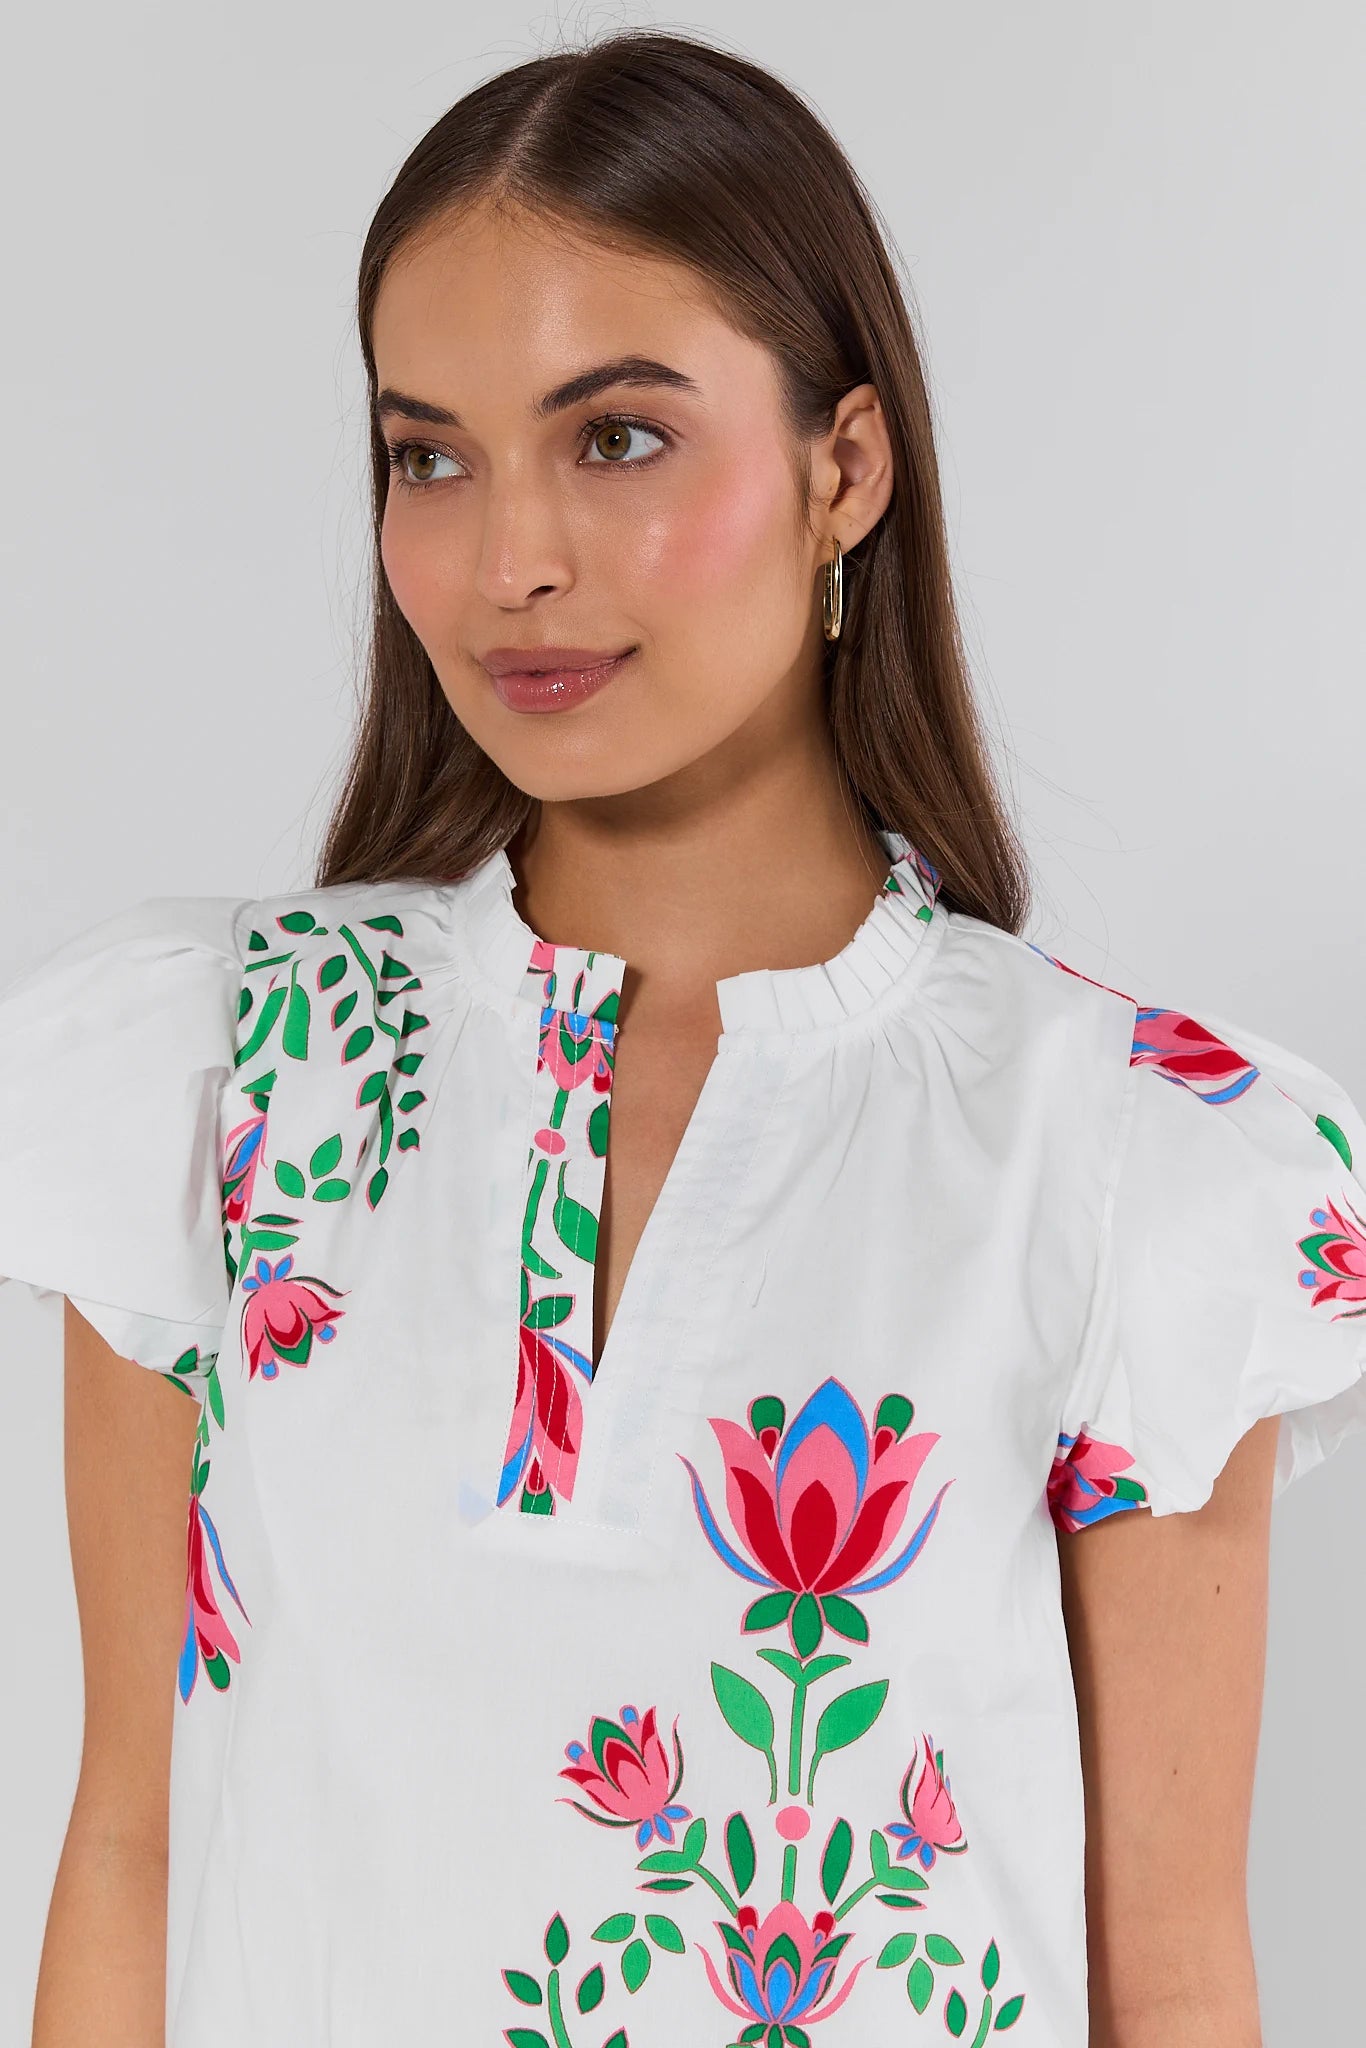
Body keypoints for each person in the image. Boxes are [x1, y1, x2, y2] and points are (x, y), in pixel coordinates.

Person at [3, 27, 1362, 2048]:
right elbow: (130, 1843)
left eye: (614, 436)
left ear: (844, 466)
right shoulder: (213, 1074)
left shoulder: (1126, 1154)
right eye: (427, 455)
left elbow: (1163, 1963)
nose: (506, 558)